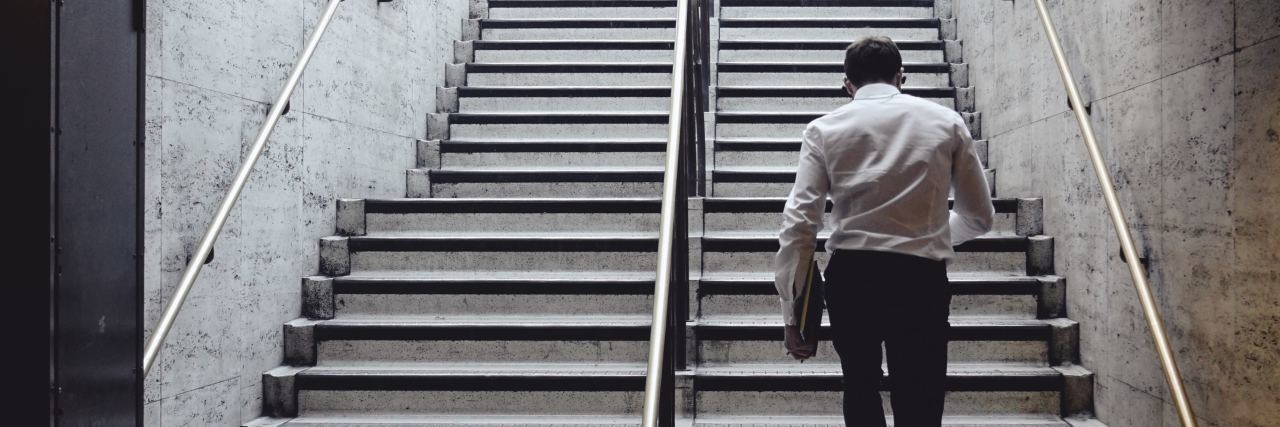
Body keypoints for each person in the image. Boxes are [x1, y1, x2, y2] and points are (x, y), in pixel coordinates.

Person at [772, 35, 995, 426]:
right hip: (920, 277)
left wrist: (792, 315)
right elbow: (979, 217)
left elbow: (800, 225)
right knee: (921, 394)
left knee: (859, 385)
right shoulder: (946, 122)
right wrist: (928, 236)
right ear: (900, 77)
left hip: (853, 278)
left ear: (847, 84)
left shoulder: (824, 130)